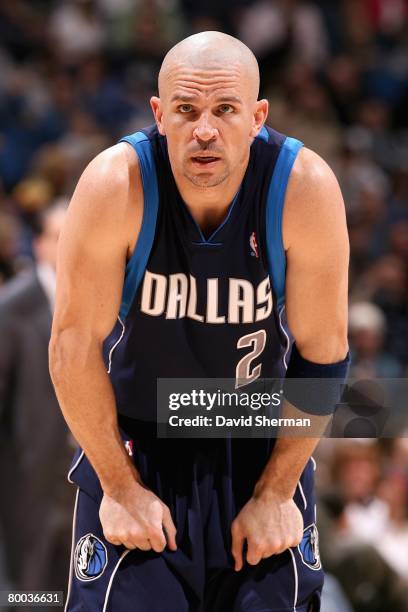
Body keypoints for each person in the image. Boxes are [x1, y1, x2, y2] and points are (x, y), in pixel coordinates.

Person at [49, 31, 349, 612]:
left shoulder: (303, 189)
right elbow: (72, 345)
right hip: (138, 448)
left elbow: (323, 353)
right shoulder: (117, 184)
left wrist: (278, 490)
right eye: (186, 111)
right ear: (159, 114)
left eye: (225, 110)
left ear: (257, 115)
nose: (204, 130)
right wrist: (117, 485)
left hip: (258, 450)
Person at [0, 200, 73, 595]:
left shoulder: (110, 299)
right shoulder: (11, 308)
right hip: (29, 485)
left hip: (86, 483)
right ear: (40, 244)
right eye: (60, 238)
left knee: (77, 594)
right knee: (29, 594)